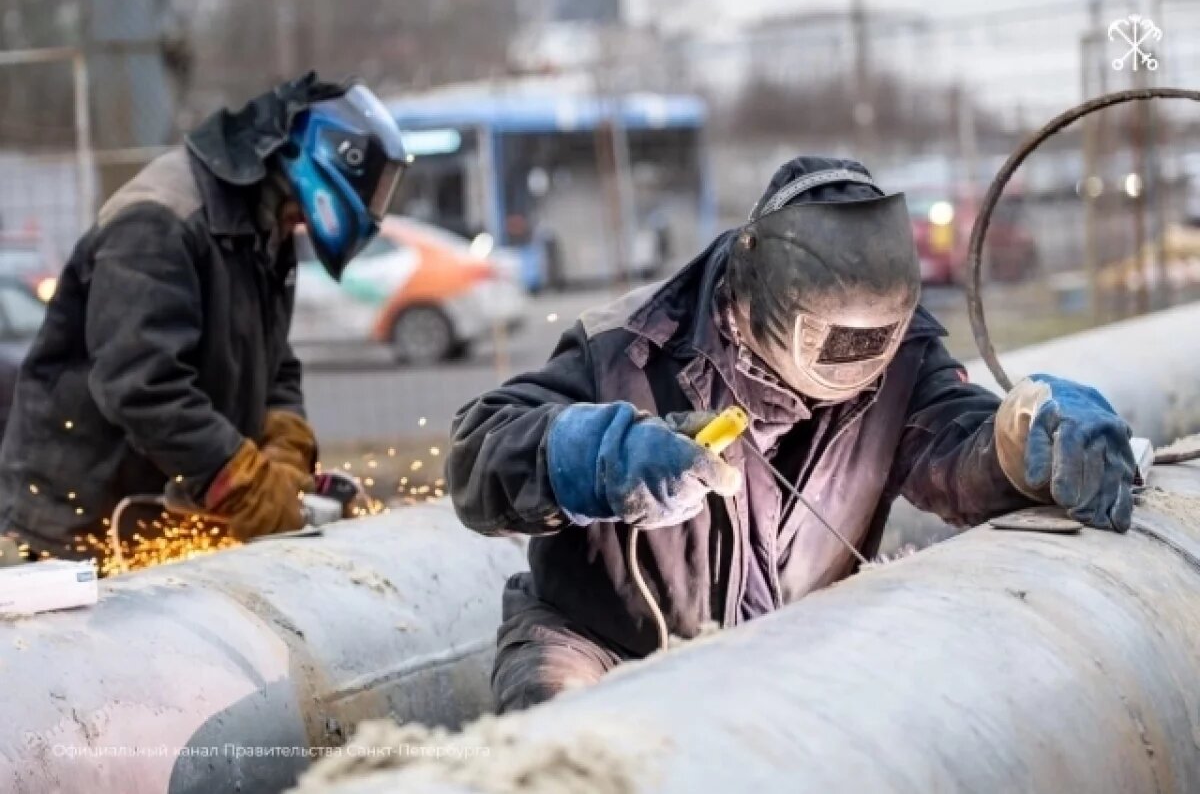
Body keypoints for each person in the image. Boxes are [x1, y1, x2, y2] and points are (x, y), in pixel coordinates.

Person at [447, 156, 1136, 713]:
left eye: (876, 340)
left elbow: (959, 450)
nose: (854, 367)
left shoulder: (899, 361)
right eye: (835, 341)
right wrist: (596, 456)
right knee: (564, 741)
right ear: (750, 291)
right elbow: (476, 454)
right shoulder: (628, 345)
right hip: (596, 642)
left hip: (776, 652)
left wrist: (1026, 440)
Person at [0, 73, 409, 564]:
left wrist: (285, 447)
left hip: (164, 516)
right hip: (79, 528)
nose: (298, 224)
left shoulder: (260, 227)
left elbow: (274, 363)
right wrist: (242, 481)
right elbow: (141, 386)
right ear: (323, 158)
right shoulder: (157, 224)